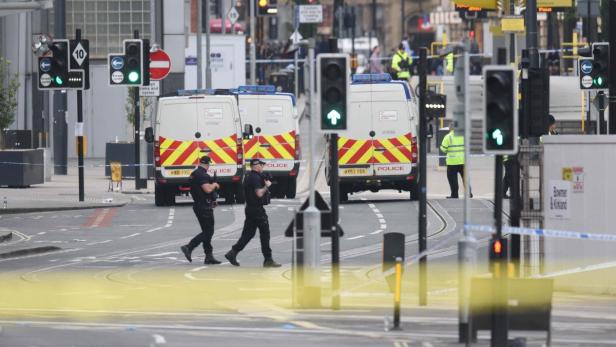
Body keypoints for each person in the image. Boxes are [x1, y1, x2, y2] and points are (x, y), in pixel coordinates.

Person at [225, 158, 281, 268]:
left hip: (251, 209)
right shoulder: (255, 178)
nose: (263, 167)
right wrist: (266, 186)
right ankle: (268, 259)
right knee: (265, 234)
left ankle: (232, 253)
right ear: (256, 165)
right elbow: (259, 193)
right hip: (257, 210)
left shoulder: (251, 176)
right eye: (262, 165)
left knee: (248, 234)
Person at [181, 156, 221, 264]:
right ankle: (189, 247)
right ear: (207, 164)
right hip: (204, 207)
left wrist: (212, 200)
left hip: (200, 205)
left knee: (206, 232)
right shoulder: (203, 175)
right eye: (209, 165)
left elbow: (200, 192)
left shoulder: (194, 174)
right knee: (209, 232)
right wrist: (214, 184)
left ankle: (208, 256)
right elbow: (207, 189)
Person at [440, 129, 472, 199]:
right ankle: (469, 193)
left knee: (453, 179)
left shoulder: (448, 137)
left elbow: (443, 149)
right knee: (465, 178)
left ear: (450, 128)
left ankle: (454, 195)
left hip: (452, 162)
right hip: (463, 161)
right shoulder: (464, 136)